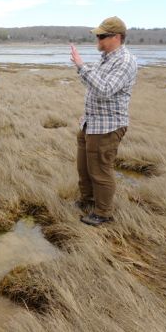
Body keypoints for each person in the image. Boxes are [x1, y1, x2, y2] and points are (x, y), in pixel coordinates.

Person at [70, 16, 138, 226]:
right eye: (98, 35)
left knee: (100, 171)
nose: (97, 39)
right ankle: (88, 200)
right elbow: (93, 85)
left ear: (116, 37)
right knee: (85, 168)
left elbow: (105, 89)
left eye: (101, 36)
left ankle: (103, 213)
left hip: (107, 127)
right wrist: (81, 68)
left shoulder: (125, 61)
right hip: (91, 123)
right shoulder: (107, 57)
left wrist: (82, 66)